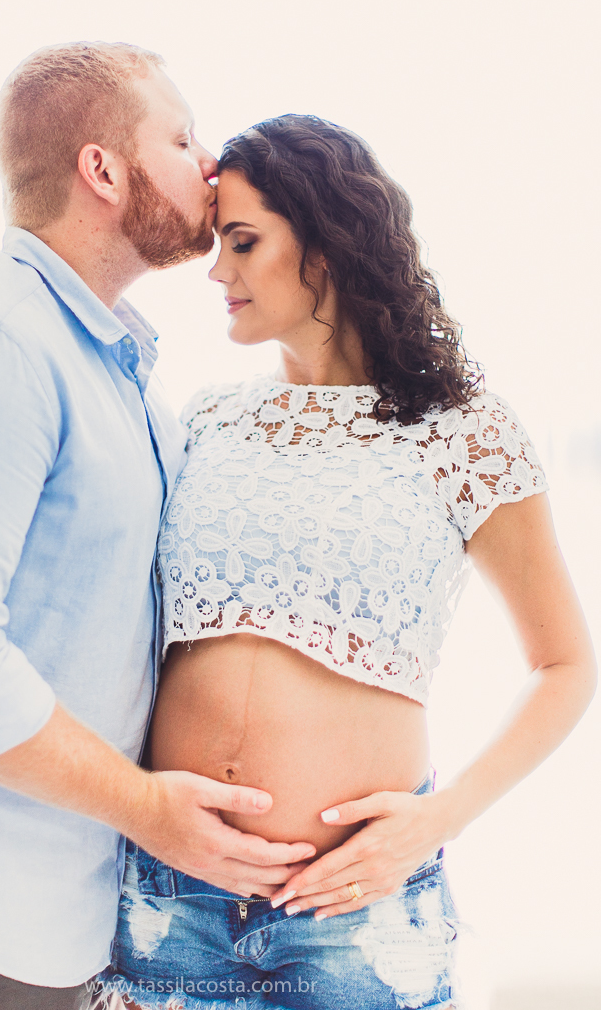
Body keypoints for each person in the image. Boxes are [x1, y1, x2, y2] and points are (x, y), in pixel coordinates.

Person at [0, 45, 318, 1010]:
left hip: (39, 926)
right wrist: (150, 809)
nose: (210, 162)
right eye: (181, 138)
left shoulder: (119, 379)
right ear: (103, 170)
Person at [101, 115, 597, 1010]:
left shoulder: (463, 433)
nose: (218, 272)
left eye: (243, 242)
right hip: (176, 899)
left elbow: (564, 665)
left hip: (353, 917)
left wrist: (439, 821)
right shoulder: (207, 419)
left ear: (326, 246)